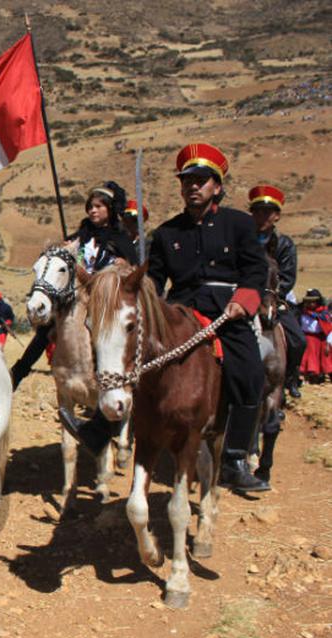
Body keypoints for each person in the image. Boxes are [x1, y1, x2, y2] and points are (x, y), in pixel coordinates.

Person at [61, 143, 270, 492]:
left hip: (226, 309)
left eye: (201, 180)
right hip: (181, 308)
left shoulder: (239, 224)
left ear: (217, 186)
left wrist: (242, 302)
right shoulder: (168, 232)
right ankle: (100, 427)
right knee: (134, 356)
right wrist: (127, 279)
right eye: (187, 180)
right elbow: (154, 279)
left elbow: (255, 270)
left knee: (249, 366)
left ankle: (234, 456)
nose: (193, 186)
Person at [11, 181, 137, 390]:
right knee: (45, 330)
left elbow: (132, 270)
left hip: (103, 299)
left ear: (110, 209)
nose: (92, 210)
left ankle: (106, 379)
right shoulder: (81, 235)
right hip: (75, 297)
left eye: (98, 206)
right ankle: (19, 371)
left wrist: (122, 267)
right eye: (90, 206)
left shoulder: (121, 240)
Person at [249, 185, 307, 400]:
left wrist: (272, 296)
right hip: (244, 299)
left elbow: (288, 277)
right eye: (257, 211)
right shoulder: (243, 239)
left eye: (268, 211)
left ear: (277, 216)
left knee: (298, 340)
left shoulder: (285, 244)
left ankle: (289, 379)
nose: (262, 216)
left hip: (274, 301)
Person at [299, 288, 332, 382]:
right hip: (307, 338)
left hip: (321, 339)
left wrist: (328, 343)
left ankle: (322, 373)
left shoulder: (323, 314)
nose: (310, 304)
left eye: (313, 302)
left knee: (325, 356)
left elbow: (328, 329)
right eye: (308, 302)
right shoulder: (302, 313)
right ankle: (308, 373)